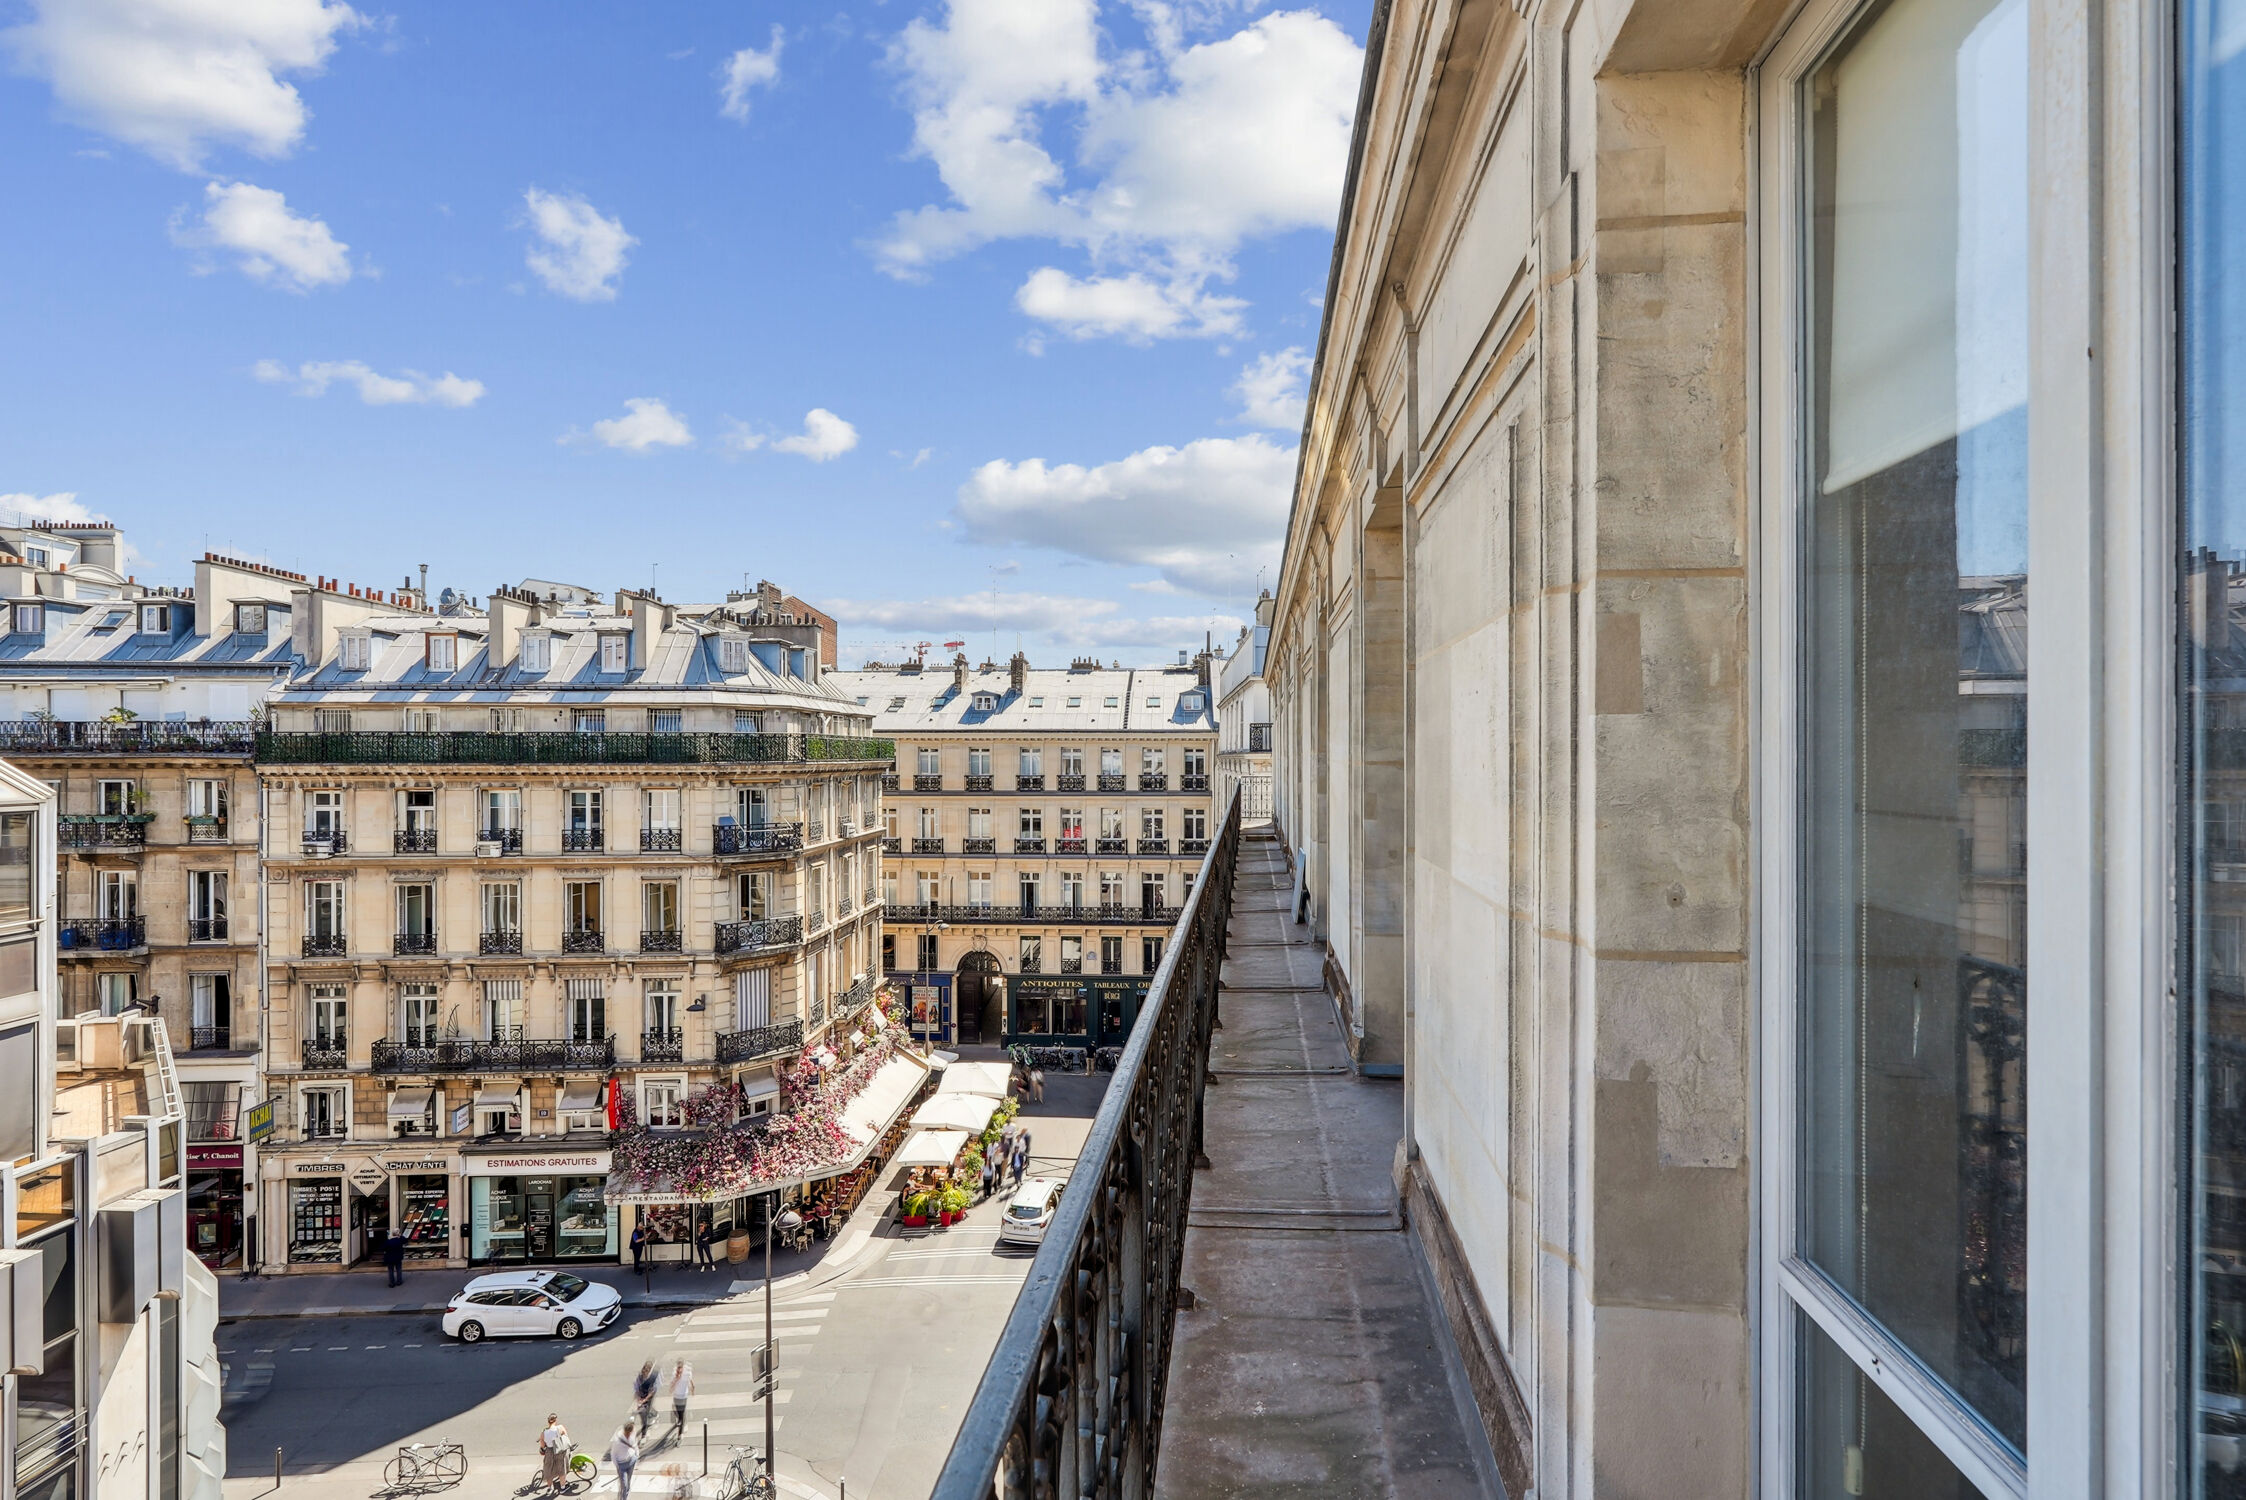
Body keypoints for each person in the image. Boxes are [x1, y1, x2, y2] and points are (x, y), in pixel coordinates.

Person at [538, 1415, 571, 1493]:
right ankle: (563, 1487)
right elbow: (566, 1437)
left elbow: (542, 1445)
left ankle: (550, 1487)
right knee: (561, 1468)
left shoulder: (544, 1432)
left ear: (548, 1422)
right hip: (559, 1450)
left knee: (548, 1469)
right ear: (555, 1420)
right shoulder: (560, 1428)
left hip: (549, 1451)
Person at [609, 1421, 640, 1500]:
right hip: (621, 1464)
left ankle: (626, 1492)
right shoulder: (617, 1440)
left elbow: (635, 1445)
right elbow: (613, 1454)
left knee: (628, 1480)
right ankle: (624, 1496)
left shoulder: (632, 1435)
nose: (630, 1434)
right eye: (629, 1433)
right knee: (624, 1484)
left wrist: (636, 1455)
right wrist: (617, 1466)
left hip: (631, 1460)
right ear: (625, 1431)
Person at [667, 1359, 694, 1442]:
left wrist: (692, 1390)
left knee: (681, 1414)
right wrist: (676, 1378)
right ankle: (680, 1421)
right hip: (676, 1396)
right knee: (677, 1412)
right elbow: (671, 1386)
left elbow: (691, 1382)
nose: (679, 1370)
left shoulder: (687, 1373)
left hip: (683, 1396)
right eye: (678, 1368)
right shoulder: (674, 1374)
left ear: (683, 1367)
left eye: (680, 1368)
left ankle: (680, 1434)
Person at [632, 1360, 657, 1436]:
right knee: (643, 1412)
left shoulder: (651, 1379)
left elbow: (652, 1391)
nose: (644, 1373)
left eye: (646, 1371)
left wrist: (645, 1399)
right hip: (642, 1395)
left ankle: (644, 1432)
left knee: (647, 1411)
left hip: (649, 1395)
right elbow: (636, 1389)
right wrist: (638, 1398)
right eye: (644, 1371)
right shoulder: (639, 1378)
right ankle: (653, 1414)